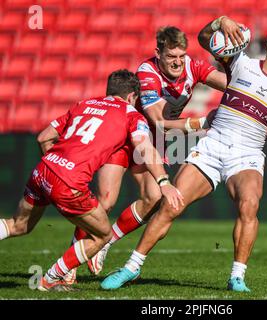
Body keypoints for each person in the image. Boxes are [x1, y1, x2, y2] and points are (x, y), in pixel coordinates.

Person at [100, 17, 267, 292]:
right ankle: (132, 267)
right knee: (171, 205)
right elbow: (205, 40)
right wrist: (220, 22)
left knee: (249, 204)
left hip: (246, 155)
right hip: (212, 146)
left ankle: (237, 277)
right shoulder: (241, 63)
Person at [0, 69, 183, 291]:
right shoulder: (131, 114)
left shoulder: (83, 104)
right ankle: (51, 279)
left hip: (42, 171)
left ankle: (55, 277)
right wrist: (164, 182)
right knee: (103, 235)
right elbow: (144, 147)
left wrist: (55, 166)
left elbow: (43, 137)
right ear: (132, 97)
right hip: (69, 182)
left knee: (18, 225)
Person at [71, 25, 227, 277]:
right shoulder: (147, 72)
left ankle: (105, 242)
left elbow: (231, 85)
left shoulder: (192, 66)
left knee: (154, 198)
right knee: (107, 201)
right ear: (158, 53)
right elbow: (157, 120)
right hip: (126, 136)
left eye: (181, 56)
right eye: (170, 57)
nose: (177, 62)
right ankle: (75, 251)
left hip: (153, 142)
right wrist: (199, 123)